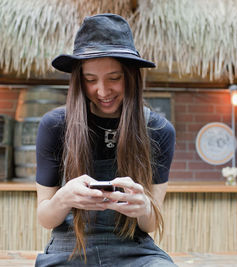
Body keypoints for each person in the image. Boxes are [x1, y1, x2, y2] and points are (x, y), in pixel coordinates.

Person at [35, 13, 176, 266]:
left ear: (131, 76)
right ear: (79, 80)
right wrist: (64, 198)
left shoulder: (158, 129)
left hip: (134, 248)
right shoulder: (55, 126)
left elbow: (152, 223)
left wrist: (143, 207)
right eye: (90, 80)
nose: (102, 91)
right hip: (70, 246)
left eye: (114, 78)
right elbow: (46, 218)